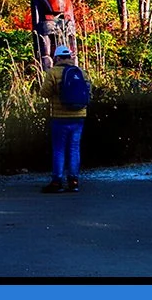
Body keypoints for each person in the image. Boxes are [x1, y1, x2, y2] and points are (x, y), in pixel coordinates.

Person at [39, 44, 88, 192]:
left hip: (59, 117)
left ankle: (57, 181)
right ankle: (73, 181)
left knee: (59, 149)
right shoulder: (81, 72)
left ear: (58, 58)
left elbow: (44, 93)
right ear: (70, 58)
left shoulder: (53, 72)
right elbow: (89, 92)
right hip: (79, 116)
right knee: (74, 148)